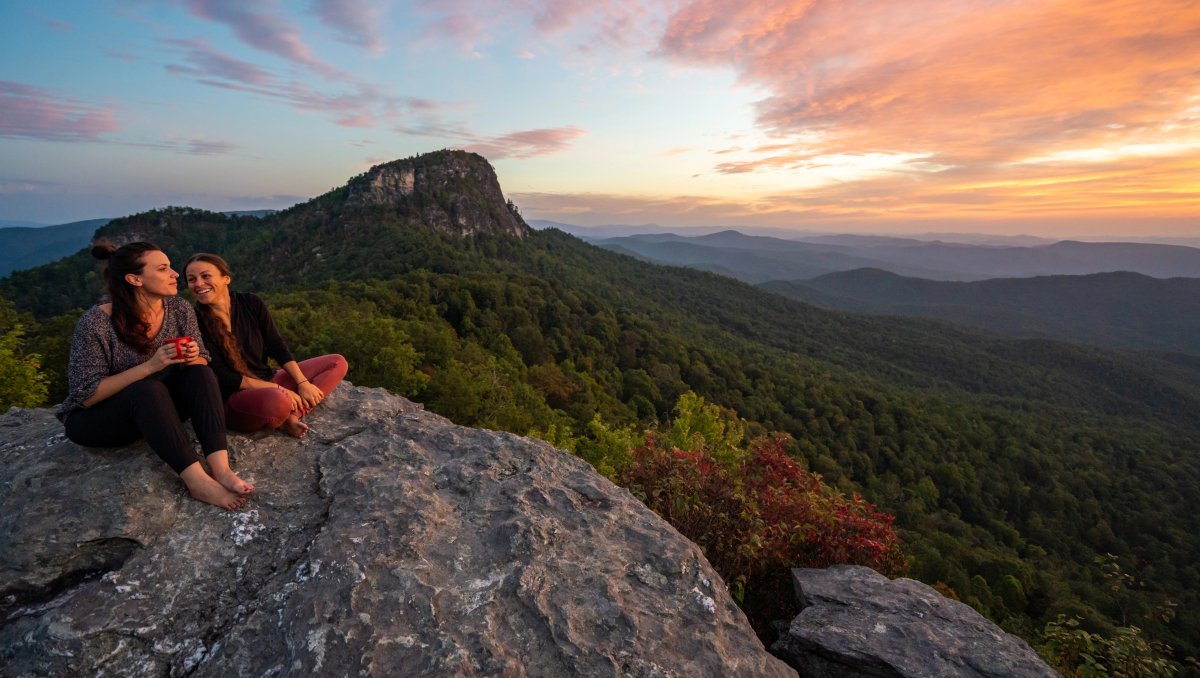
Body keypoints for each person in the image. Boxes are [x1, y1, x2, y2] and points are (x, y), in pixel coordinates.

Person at [58, 241, 253, 511]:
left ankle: (220, 469)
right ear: (134, 279)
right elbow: (85, 395)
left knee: (200, 373)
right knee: (146, 388)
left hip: (156, 412)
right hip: (98, 420)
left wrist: (194, 354)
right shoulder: (96, 323)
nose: (176, 274)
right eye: (163, 269)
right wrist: (150, 366)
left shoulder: (179, 309)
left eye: (171, 267)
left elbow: (202, 359)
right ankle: (198, 482)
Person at [184, 253, 347, 438]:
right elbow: (223, 376)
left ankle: (294, 416)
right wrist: (280, 390)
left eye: (206, 276)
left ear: (226, 278)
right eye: (192, 279)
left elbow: (276, 345)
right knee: (278, 401)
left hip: (268, 378)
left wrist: (302, 383)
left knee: (336, 362)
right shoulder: (194, 321)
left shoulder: (250, 303)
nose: (198, 284)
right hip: (235, 398)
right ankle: (285, 411)